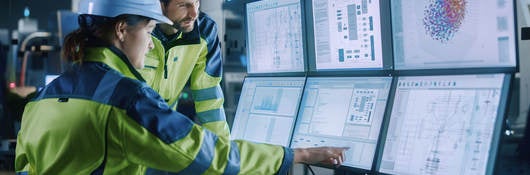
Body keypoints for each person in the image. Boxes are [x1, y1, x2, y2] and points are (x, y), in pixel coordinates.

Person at [14, 0, 348, 174]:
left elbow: (26, 168)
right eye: (147, 31)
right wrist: (294, 155)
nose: (150, 44)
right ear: (121, 29)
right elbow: (207, 155)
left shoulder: (44, 97)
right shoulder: (126, 100)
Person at [138, 0, 226, 131]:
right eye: (183, 5)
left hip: (165, 130)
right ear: (160, 4)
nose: (194, 13)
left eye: (196, 2)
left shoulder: (205, 31)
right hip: (128, 127)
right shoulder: (136, 30)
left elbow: (209, 97)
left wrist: (223, 147)